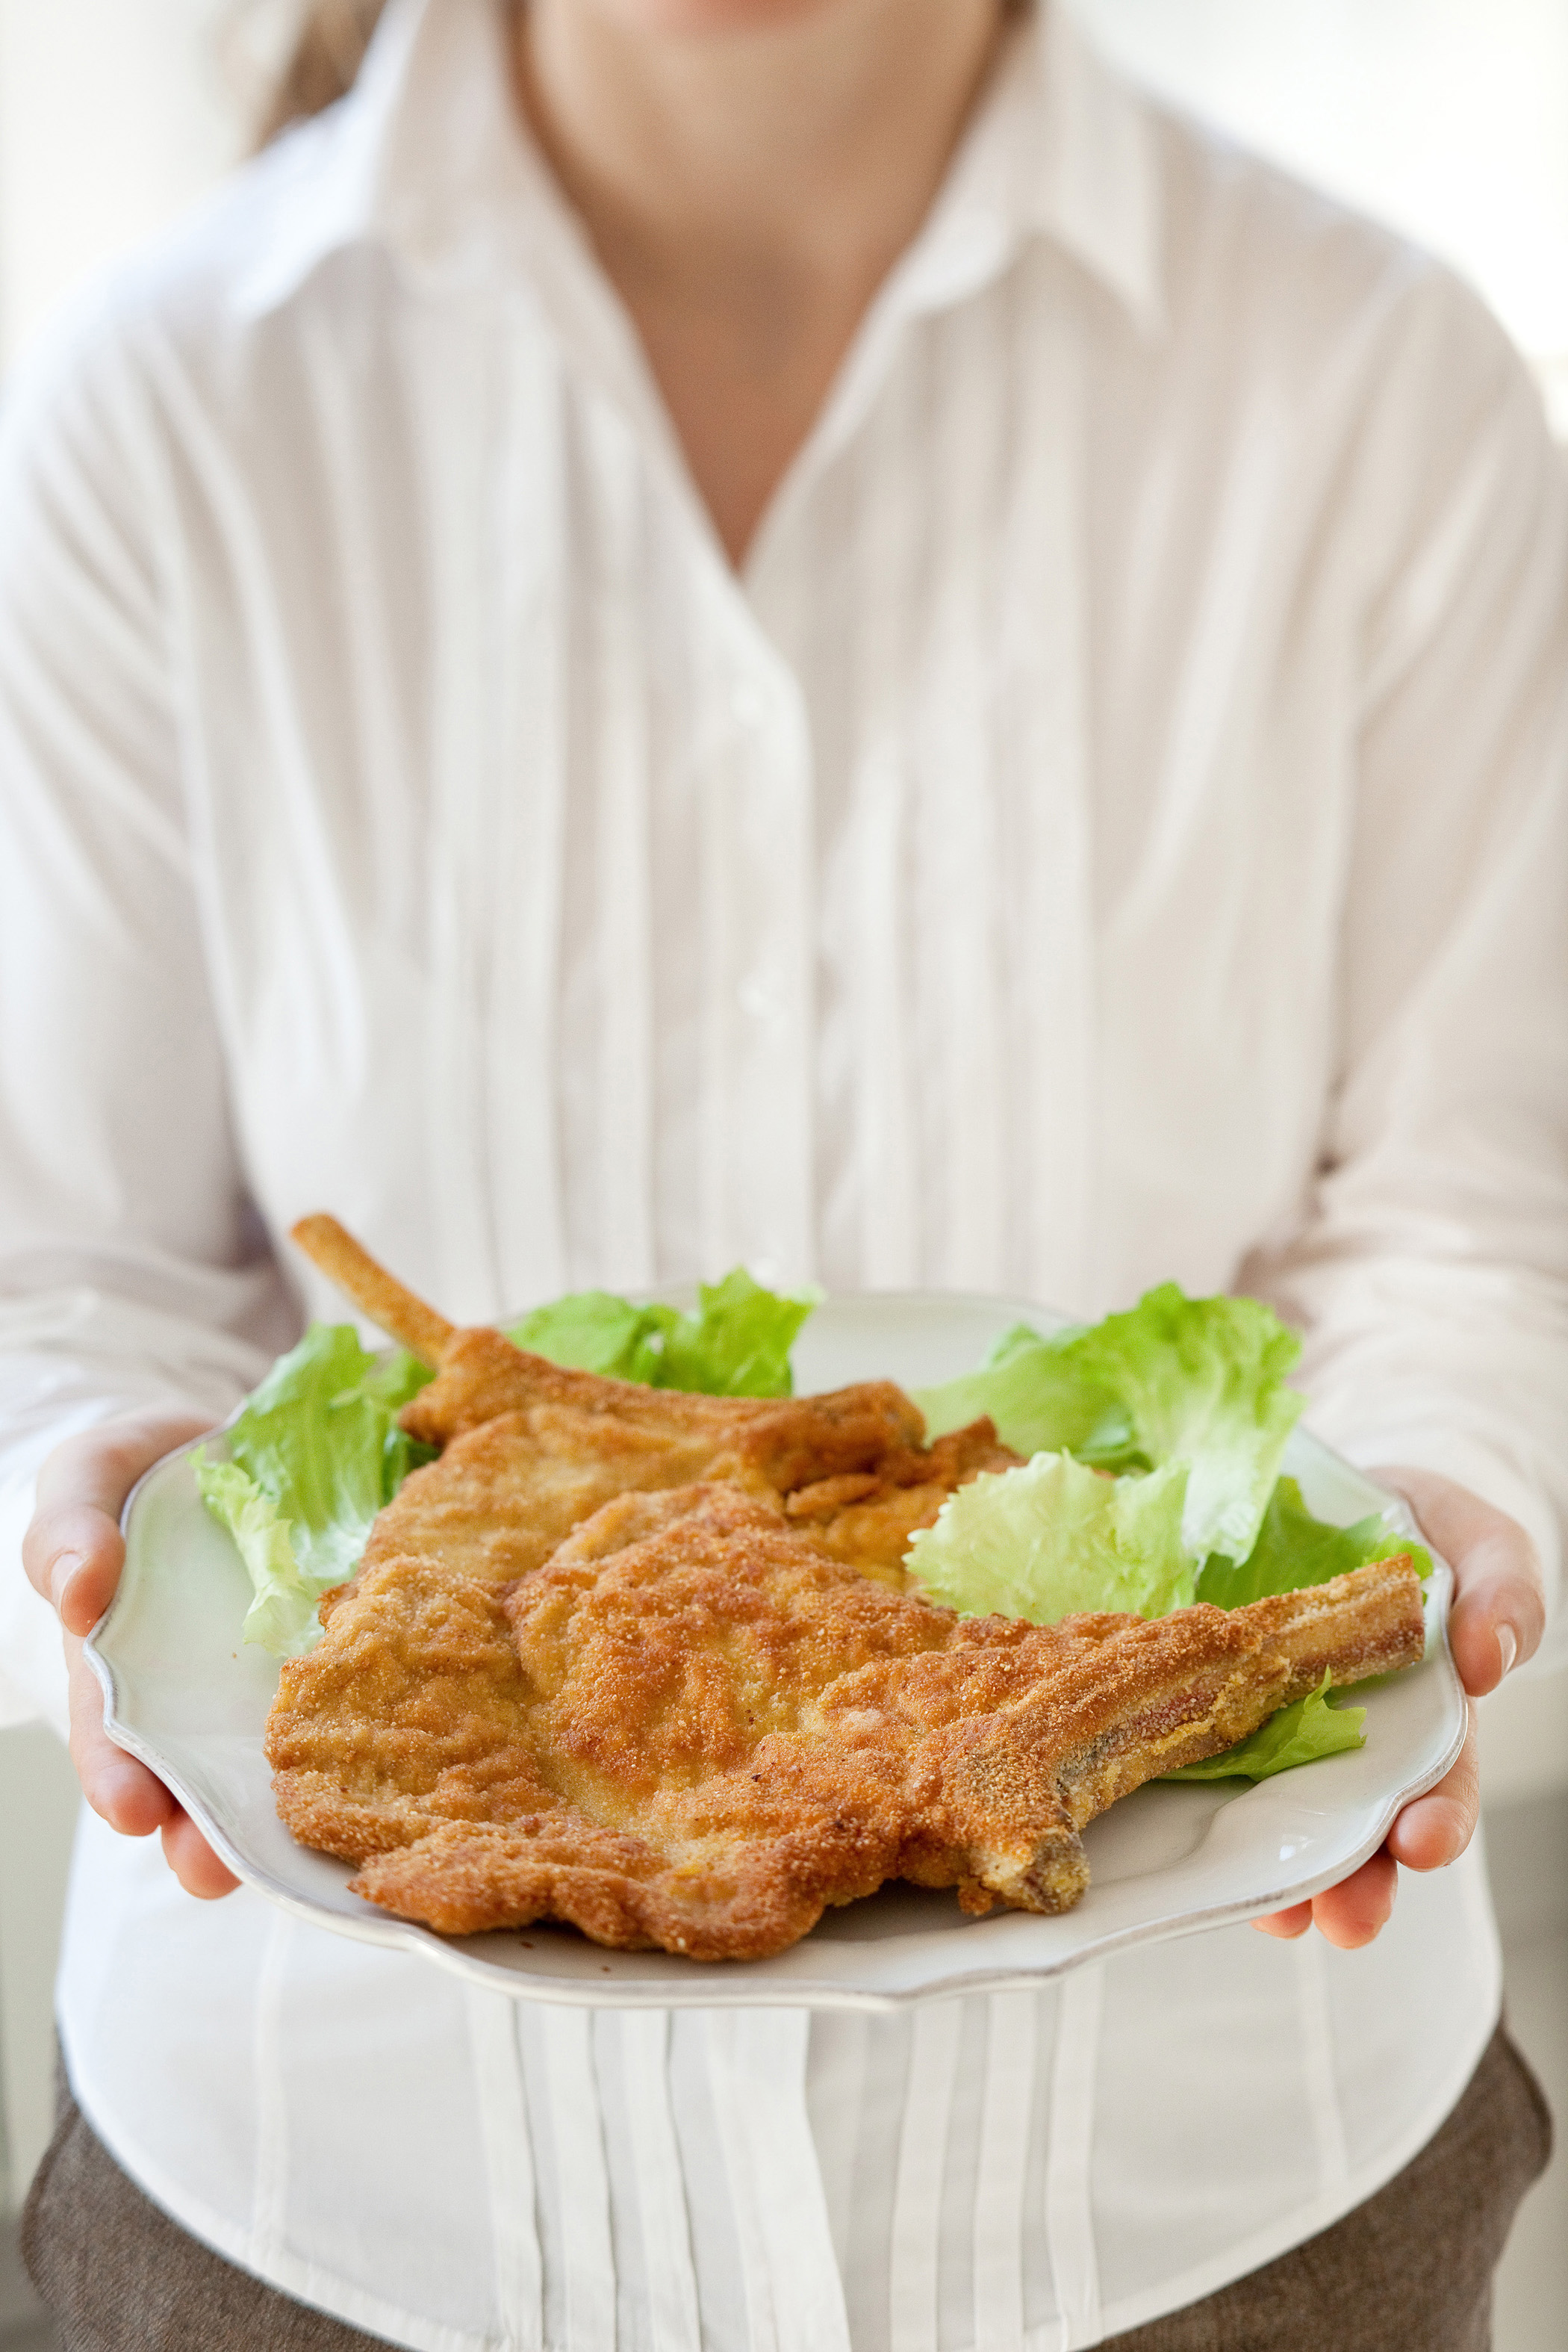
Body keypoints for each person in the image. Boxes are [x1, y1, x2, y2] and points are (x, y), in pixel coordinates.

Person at [1, 0, 1564, 2345]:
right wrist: (79, 1483)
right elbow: (68, 1253)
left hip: (1230, 2205)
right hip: (322, 2209)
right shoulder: (166, 401)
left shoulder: (1375, 377)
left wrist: (1428, 1498)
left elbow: (1473, 1205)